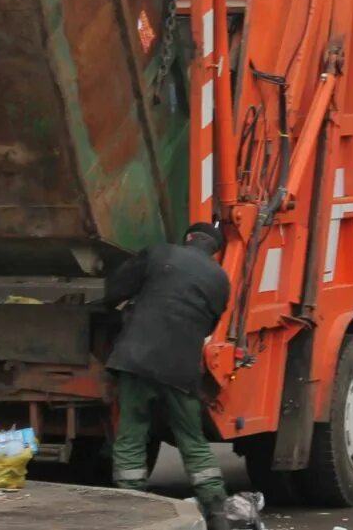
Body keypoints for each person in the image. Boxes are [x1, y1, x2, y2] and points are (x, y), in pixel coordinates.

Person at [104, 222, 231, 530]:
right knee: (192, 440)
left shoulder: (158, 254)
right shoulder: (220, 279)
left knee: (132, 434)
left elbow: (116, 290)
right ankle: (216, 512)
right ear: (214, 250)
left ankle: (131, 506)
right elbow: (210, 325)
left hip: (135, 360)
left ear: (187, 238)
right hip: (180, 370)